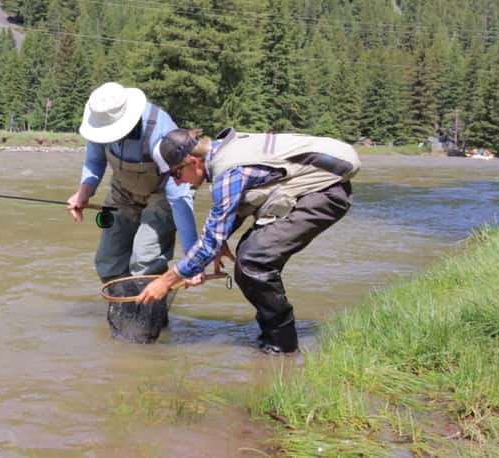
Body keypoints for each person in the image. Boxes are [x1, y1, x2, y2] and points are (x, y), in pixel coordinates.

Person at [137, 127, 360, 354]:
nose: (177, 183)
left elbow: (209, 240)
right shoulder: (222, 151)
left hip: (327, 194)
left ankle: (282, 346)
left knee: (254, 260)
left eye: (176, 174)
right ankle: (272, 338)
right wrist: (222, 241)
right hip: (315, 189)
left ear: (193, 162)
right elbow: (237, 205)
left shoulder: (227, 171)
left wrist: (166, 280)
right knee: (248, 260)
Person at [67, 82, 197, 284]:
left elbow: (179, 197)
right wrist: (84, 193)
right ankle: (122, 306)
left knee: (145, 259)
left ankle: (147, 307)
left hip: (162, 194)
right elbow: (95, 161)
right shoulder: (100, 122)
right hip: (122, 192)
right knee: (108, 260)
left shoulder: (160, 134)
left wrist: (192, 258)